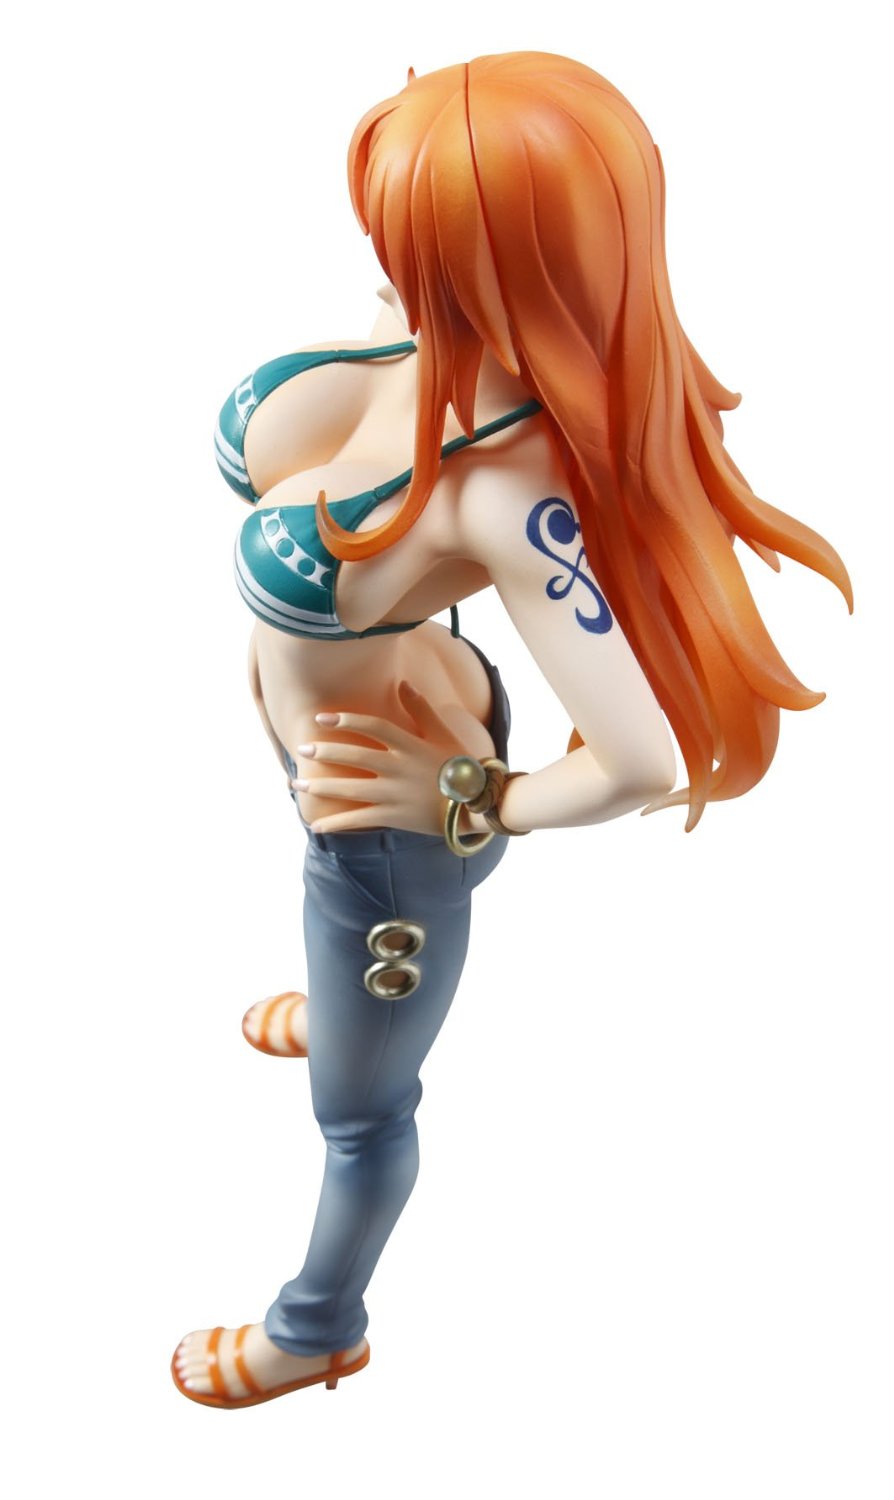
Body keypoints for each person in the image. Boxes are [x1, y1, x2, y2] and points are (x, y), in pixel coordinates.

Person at [172, 52, 850, 1408]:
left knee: (361, 1117)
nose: (387, 253)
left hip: (388, 840)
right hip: (359, 740)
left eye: (421, 221)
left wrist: (470, 796)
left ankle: (318, 1328)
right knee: (348, 983)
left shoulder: (510, 493)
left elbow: (641, 760)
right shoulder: (419, 317)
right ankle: (343, 1010)